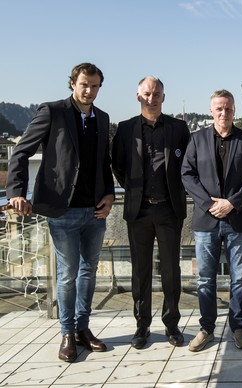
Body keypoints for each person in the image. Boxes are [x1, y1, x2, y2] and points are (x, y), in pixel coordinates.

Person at [6, 63, 114, 362]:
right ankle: (67, 333)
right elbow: (21, 151)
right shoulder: (52, 111)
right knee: (67, 275)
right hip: (61, 209)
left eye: (94, 85)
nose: (89, 90)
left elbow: (103, 162)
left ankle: (82, 328)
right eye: (84, 84)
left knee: (88, 272)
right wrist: (16, 192)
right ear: (72, 84)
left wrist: (108, 194)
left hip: (95, 210)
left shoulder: (102, 118)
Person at [112, 76, 190, 349]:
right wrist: (135, 191)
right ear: (138, 96)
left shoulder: (179, 128)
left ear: (163, 97)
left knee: (171, 271)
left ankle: (171, 325)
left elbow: (186, 166)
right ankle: (142, 326)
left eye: (157, 93)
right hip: (139, 211)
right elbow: (118, 166)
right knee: (140, 271)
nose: (152, 97)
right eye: (147, 93)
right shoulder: (125, 129)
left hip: (170, 210)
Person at [181, 89, 242, 352]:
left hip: (237, 219)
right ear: (211, 110)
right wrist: (210, 204)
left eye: (227, 108)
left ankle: (237, 327)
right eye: (218, 108)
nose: (223, 113)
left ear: (234, 110)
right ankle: (206, 329)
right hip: (207, 221)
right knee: (205, 279)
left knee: (239, 279)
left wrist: (232, 203)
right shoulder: (197, 139)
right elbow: (187, 175)